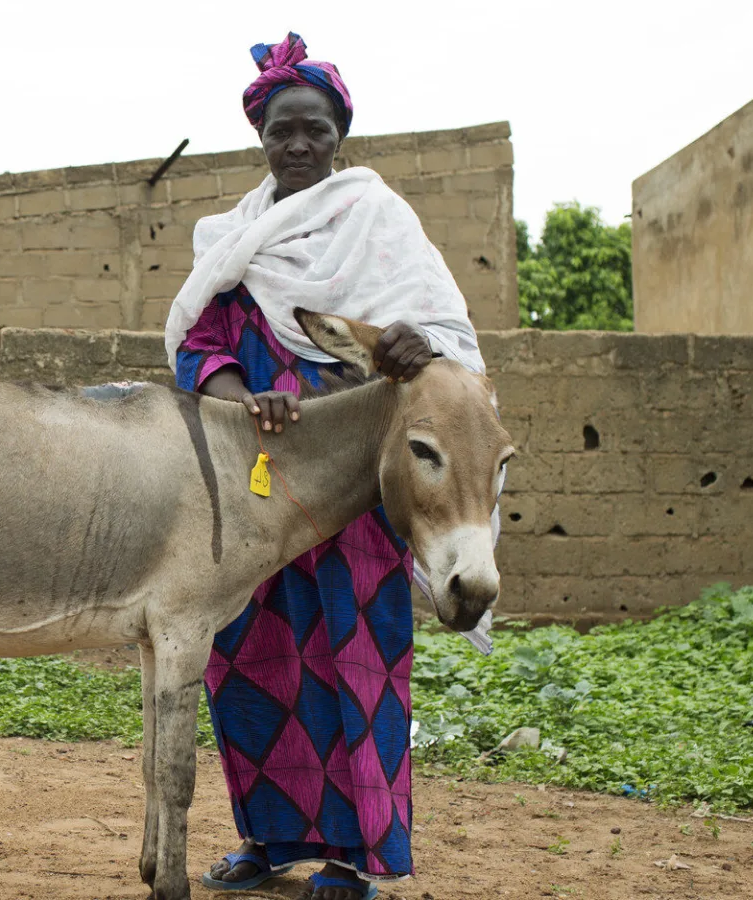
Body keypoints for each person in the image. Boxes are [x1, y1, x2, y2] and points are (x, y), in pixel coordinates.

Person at [166, 33, 487, 900]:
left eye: (313, 128)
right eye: (281, 131)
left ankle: (355, 858)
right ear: (261, 137)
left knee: (357, 662)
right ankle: (270, 841)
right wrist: (245, 395)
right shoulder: (235, 240)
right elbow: (198, 345)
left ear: (339, 131)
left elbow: (446, 352)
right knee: (250, 658)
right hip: (261, 490)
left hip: (352, 500)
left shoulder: (379, 225)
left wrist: (417, 343)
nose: (298, 145)